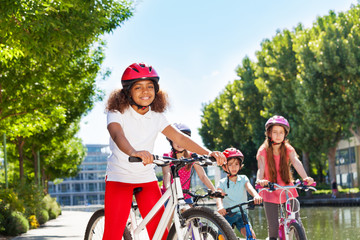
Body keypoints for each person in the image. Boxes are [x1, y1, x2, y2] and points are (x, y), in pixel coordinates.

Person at [104, 62, 227, 240]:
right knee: (112, 235)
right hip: (119, 177)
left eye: (150, 87)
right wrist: (134, 152)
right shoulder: (117, 111)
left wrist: (209, 153)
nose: (145, 91)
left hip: (146, 178)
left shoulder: (156, 116)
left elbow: (181, 138)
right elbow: (116, 134)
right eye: (138, 87)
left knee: (161, 233)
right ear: (128, 91)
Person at [256, 115, 314, 240]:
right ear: (269, 133)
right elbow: (260, 168)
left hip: (288, 188)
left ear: (285, 134)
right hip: (270, 189)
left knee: (296, 220)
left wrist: (306, 177)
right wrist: (260, 181)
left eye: (281, 132)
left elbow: (296, 162)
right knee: (273, 226)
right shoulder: (263, 150)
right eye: (275, 132)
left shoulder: (287, 148)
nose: (278, 135)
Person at [161, 123, 217, 205]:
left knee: (192, 215)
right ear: (170, 140)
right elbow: (167, 173)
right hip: (169, 194)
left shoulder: (192, 156)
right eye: (176, 140)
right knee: (169, 216)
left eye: (183, 140)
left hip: (185, 195)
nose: (179, 143)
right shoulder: (167, 156)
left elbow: (202, 176)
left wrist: (213, 190)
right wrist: (168, 188)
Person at [216, 147, 262, 239]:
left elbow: (250, 188)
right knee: (222, 237)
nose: (234, 167)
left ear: (240, 165)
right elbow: (219, 196)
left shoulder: (243, 178)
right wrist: (220, 207)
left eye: (236, 164)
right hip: (227, 214)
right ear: (224, 167)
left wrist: (256, 195)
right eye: (230, 164)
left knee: (251, 236)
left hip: (242, 214)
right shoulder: (222, 182)